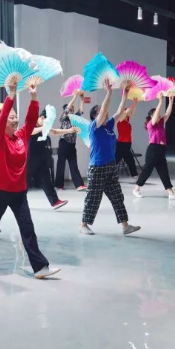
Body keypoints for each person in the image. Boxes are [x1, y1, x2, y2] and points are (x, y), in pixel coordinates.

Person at [0, 79, 59, 279]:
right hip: (1, 191)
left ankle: (40, 267)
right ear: (3, 121)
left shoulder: (21, 136)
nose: (15, 120)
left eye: (16, 117)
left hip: (19, 192)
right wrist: (11, 94)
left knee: (27, 228)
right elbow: (2, 117)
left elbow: (31, 120)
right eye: (12, 117)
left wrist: (33, 96)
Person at [80, 81, 141, 236]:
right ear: (95, 116)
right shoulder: (94, 127)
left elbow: (120, 112)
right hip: (97, 167)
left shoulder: (108, 126)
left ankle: (125, 226)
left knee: (117, 196)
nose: (105, 112)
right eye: (101, 111)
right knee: (93, 197)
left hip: (110, 166)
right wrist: (109, 92)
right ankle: (83, 225)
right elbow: (105, 109)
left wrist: (125, 94)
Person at [133, 93, 175, 200]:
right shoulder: (151, 124)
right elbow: (156, 116)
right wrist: (160, 101)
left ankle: (171, 193)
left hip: (161, 150)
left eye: (159, 114)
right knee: (147, 171)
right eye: (156, 114)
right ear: (151, 116)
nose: (159, 116)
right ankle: (136, 189)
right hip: (153, 150)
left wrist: (171, 102)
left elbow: (167, 113)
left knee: (164, 172)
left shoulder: (161, 123)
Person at [28, 111, 77, 210]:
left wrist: (69, 130)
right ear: (42, 118)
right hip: (30, 160)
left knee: (47, 181)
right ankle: (15, 200)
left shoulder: (44, 126)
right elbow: (30, 131)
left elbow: (54, 132)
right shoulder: (32, 124)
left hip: (42, 159)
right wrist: (43, 128)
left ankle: (55, 202)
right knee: (24, 183)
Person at [55, 90, 87, 191]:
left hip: (72, 145)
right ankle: (59, 185)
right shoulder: (63, 118)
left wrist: (81, 99)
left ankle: (79, 185)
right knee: (61, 165)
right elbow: (68, 108)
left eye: (73, 108)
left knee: (73, 165)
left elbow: (81, 110)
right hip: (64, 143)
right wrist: (74, 96)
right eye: (70, 108)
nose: (72, 109)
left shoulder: (75, 118)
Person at [114, 95, 139, 178]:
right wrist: (133, 103)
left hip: (127, 144)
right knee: (116, 160)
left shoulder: (127, 121)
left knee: (130, 160)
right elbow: (126, 112)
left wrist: (135, 104)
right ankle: (108, 173)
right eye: (126, 114)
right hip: (121, 144)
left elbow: (132, 112)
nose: (128, 114)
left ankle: (134, 174)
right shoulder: (120, 121)